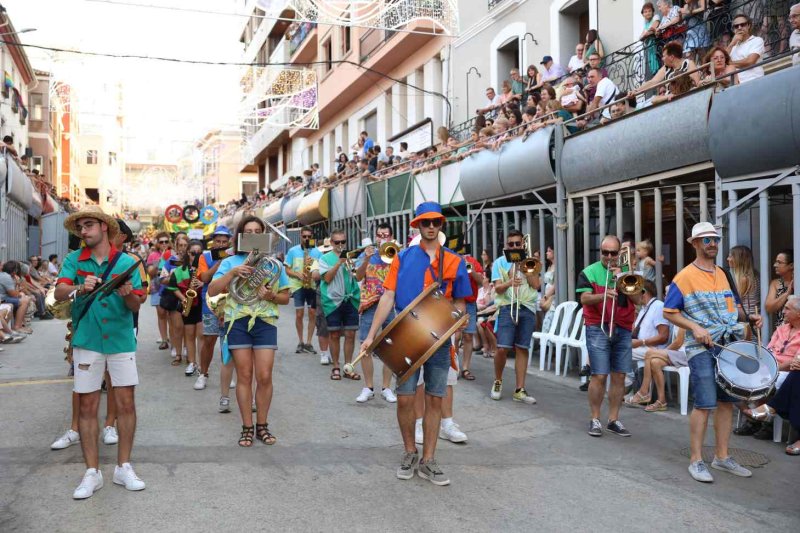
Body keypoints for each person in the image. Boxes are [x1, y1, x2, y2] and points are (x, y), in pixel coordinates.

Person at [361, 201, 471, 486]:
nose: (431, 227)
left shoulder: (455, 261)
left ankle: (429, 459)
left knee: (436, 398)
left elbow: (459, 301)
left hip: (440, 339)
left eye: (436, 222)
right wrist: (372, 334)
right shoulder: (402, 257)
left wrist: (458, 327)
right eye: (426, 222)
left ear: (441, 225)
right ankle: (410, 451)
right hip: (406, 336)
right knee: (406, 399)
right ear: (417, 226)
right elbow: (387, 297)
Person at [54, 205, 145, 499]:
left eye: (89, 225)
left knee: (126, 403)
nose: (84, 231)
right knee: (87, 406)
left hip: (120, 340)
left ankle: (123, 466)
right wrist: (79, 287)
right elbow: (58, 292)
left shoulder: (126, 262)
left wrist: (128, 293)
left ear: (104, 227)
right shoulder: (73, 259)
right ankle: (92, 472)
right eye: (80, 227)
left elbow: (136, 306)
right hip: (87, 339)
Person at [663, 222, 762, 482]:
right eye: (706, 240)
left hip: (727, 346)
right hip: (701, 348)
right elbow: (669, 311)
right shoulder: (684, 276)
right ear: (694, 243)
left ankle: (722, 457)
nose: (712, 244)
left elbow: (735, 309)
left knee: (726, 402)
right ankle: (696, 460)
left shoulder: (725, 274)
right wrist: (694, 327)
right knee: (705, 403)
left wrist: (751, 317)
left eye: (715, 240)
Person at [208, 216, 291, 447]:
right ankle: (247, 426)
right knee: (244, 375)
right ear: (241, 237)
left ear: (263, 235)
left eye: (258, 231)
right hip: (239, 322)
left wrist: (271, 296)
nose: (254, 235)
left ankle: (262, 425)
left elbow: (286, 297)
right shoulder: (230, 261)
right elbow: (213, 290)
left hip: (265, 321)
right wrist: (233, 273)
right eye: (248, 231)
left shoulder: (274, 264)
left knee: (264, 376)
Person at [578, 235, 638, 437]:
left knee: (620, 375)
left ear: (619, 253)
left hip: (623, 326)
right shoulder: (590, 272)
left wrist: (623, 278)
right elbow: (584, 298)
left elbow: (639, 299)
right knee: (599, 374)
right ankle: (595, 418)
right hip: (598, 325)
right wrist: (603, 295)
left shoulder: (628, 273)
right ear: (601, 252)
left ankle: (614, 419)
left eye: (614, 253)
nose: (610, 257)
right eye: (606, 252)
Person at [743, 296, 800, 455]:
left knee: (790, 375)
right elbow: (769, 350)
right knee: (742, 377)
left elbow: (795, 360)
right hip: (775, 367)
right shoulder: (782, 329)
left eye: (788, 309)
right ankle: (761, 417)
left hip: (784, 369)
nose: (783, 311)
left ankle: (769, 413)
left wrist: (776, 368)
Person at [489, 230, 540, 404]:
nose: (515, 247)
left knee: (522, 348)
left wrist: (526, 268)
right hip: (506, 306)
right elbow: (497, 289)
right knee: (502, 348)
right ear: (506, 246)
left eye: (518, 244)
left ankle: (520, 389)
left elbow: (536, 285)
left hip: (527, 307)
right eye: (511, 244)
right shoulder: (499, 263)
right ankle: (498, 380)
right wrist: (510, 280)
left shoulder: (530, 262)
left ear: (523, 245)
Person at [354, 223, 397, 403]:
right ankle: (368, 387)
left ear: (391, 236)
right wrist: (366, 258)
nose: (382, 238)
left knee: (390, 347)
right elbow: (357, 277)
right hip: (370, 304)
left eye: (385, 235)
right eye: (379, 235)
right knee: (366, 346)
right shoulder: (367, 254)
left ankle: (387, 387)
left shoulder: (397, 253)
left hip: (391, 304)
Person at [195, 226, 235, 407]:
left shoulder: (234, 256)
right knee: (209, 339)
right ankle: (203, 373)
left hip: (231, 302)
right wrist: (220, 264)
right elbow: (204, 278)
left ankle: (228, 375)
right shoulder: (205, 257)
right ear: (213, 242)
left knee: (229, 340)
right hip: (210, 303)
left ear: (229, 243)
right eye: (218, 241)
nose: (221, 244)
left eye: (224, 242)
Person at [319, 230, 361, 381]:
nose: (341, 245)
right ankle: (336, 366)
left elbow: (358, 276)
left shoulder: (351, 256)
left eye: (343, 242)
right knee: (334, 334)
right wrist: (339, 263)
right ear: (331, 243)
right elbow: (328, 278)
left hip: (350, 299)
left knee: (350, 335)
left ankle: (348, 367)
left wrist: (366, 260)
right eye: (337, 242)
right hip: (332, 301)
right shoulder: (324, 258)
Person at [627, 328, 688, 412]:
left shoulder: (685, 317)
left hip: (687, 354)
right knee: (655, 362)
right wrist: (661, 352)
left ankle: (643, 392)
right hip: (676, 354)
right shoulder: (678, 317)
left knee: (650, 353)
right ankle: (661, 401)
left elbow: (678, 343)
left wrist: (662, 351)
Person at [168, 240, 205, 377]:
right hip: (188, 304)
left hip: (201, 304)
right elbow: (173, 287)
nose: (196, 256)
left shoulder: (204, 269)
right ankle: (192, 362)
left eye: (199, 253)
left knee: (201, 335)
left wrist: (202, 283)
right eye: (193, 253)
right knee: (189, 334)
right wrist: (183, 299)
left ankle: (202, 364)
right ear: (188, 253)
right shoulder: (180, 270)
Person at [284, 226, 322, 354]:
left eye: (309, 237)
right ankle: (300, 341)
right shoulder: (293, 251)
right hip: (298, 285)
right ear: (300, 236)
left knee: (312, 314)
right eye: (304, 236)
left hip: (312, 285)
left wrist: (313, 266)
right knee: (299, 314)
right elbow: (287, 269)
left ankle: (309, 342)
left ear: (312, 237)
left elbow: (321, 269)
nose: (306, 239)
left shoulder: (317, 252)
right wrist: (297, 274)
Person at [626, 280, 670, 390]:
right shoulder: (643, 309)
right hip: (642, 348)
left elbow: (663, 336)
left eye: (635, 292)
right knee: (615, 349)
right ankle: (631, 384)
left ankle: (629, 384)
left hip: (654, 349)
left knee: (618, 352)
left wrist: (641, 342)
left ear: (643, 292)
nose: (632, 295)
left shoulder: (658, 306)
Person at [159, 235, 189, 367]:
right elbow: (162, 280)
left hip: (190, 298)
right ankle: (178, 353)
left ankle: (189, 349)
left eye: (185, 245)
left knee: (188, 327)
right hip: (174, 297)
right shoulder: (170, 261)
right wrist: (171, 277)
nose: (182, 248)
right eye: (180, 245)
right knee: (177, 327)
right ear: (176, 247)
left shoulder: (192, 260)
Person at [458, 252, 484, 381]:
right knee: (455, 336)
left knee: (468, 336)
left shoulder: (472, 261)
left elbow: (481, 281)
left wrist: (471, 270)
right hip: (454, 301)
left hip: (469, 302)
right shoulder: (449, 259)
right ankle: (453, 367)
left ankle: (465, 368)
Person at [147, 233, 172, 350]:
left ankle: (173, 338)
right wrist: (160, 259)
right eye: (161, 242)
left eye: (166, 241)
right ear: (157, 243)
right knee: (161, 314)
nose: (164, 244)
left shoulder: (173, 254)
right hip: (157, 287)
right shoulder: (153, 255)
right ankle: (164, 339)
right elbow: (150, 272)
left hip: (170, 287)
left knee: (171, 315)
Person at [727, 14, 765, 84]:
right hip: (738, 85)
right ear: (733, 30)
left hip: (755, 80)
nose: (739, 27)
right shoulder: (732, 46)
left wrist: (730, 64)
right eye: (736, 26)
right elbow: (723, 60)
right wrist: (732, 43)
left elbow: (750, 61)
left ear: (749, 26)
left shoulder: (757, 40)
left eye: (743, 24)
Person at [726, 245, 760, 318]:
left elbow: (735, 301)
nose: (728, 259)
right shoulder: (754, 275)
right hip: (753, 315)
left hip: (747, 317)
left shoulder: (744, 279)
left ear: (738, 259)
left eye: (730, 256)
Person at [765, 249, 794, 328]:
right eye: (776, 262)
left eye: (779, 262)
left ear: (791, 265)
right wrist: (787, 294)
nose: (775, 265)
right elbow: (768, 307)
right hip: (781, 331)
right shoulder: (775, 283)